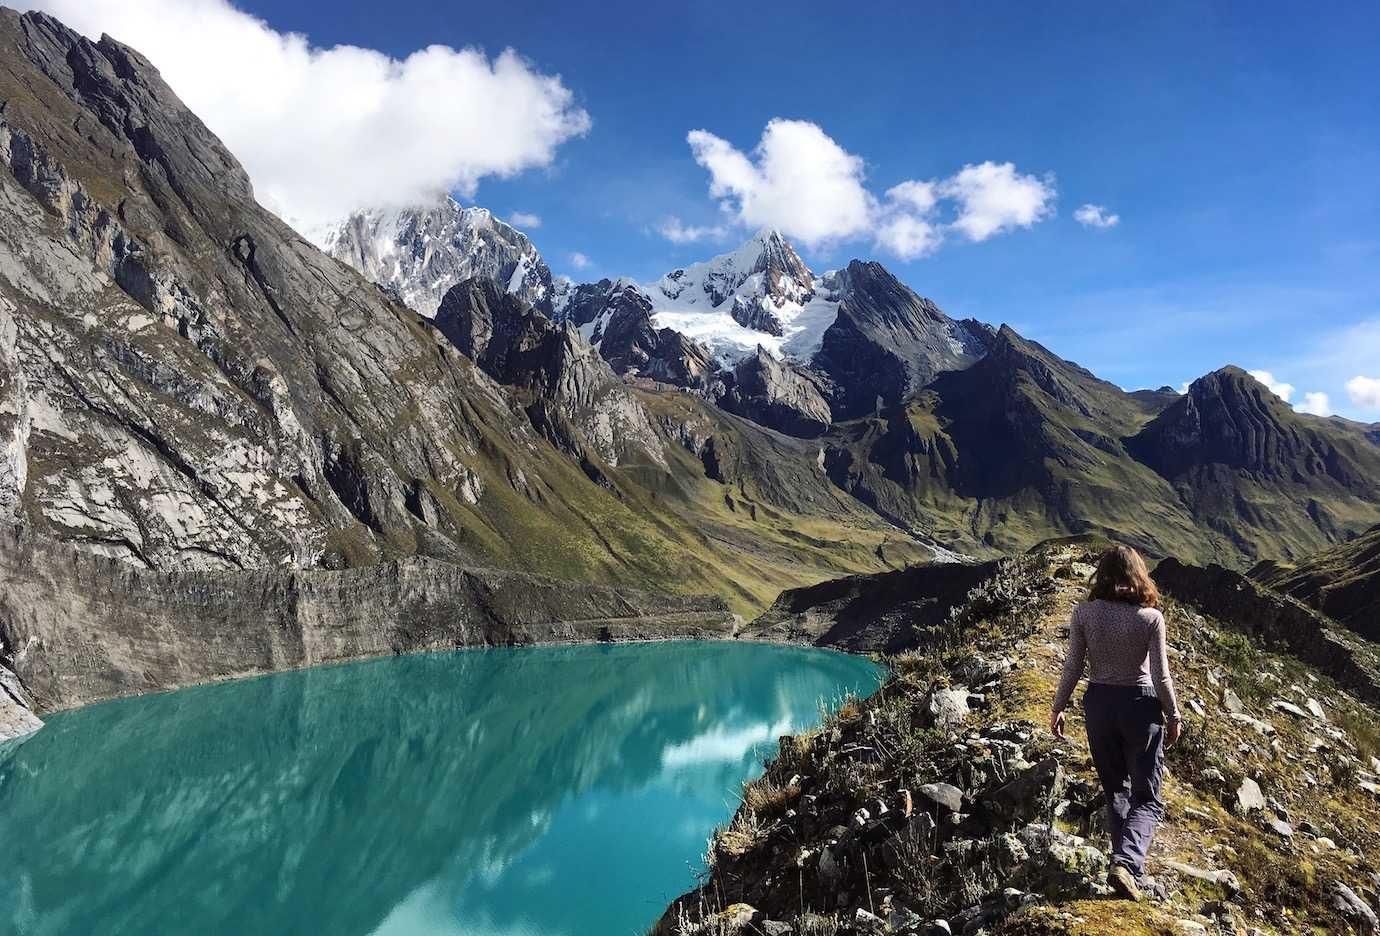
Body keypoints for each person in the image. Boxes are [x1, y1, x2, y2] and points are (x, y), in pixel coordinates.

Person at [1049, 544, 1182, 902]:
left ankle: (1123, 866)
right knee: (1149, 798)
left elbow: (1073, 665)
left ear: (1101, 575)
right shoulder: (1150, 618)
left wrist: (1058, 707)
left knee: (1116, 790)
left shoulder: (1083, 613)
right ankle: (1127, 863)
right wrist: (1173, 715)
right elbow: (1161, 675)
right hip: (1140, 707)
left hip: (1098, 706)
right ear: (1139, 575)